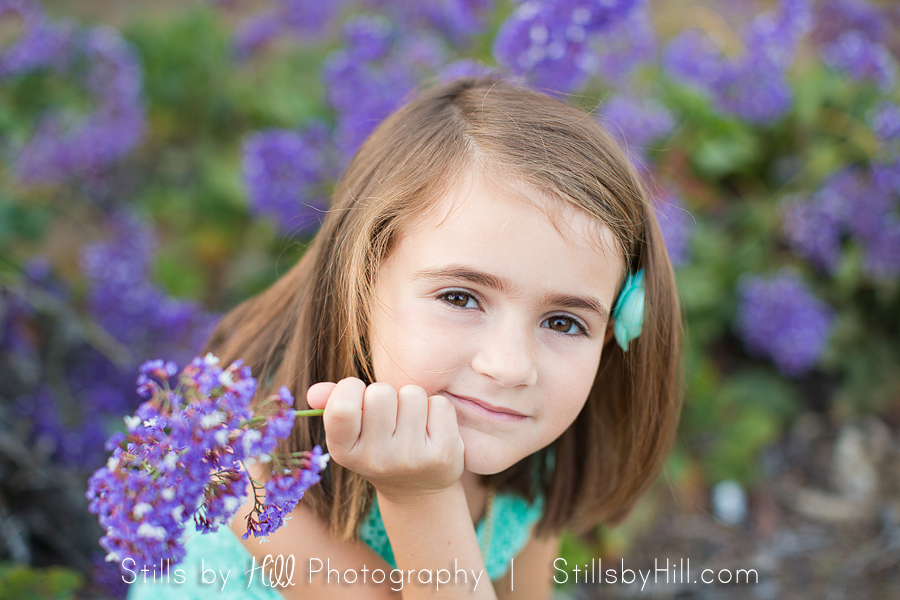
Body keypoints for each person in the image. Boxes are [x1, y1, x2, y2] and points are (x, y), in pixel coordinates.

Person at [126, 76, 683, 600]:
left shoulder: (532, 464)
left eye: (564, 322)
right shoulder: (255, 478)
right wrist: (421, 498)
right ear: (361, 282)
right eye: (461, 297)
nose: (511, 367)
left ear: (610, 335)